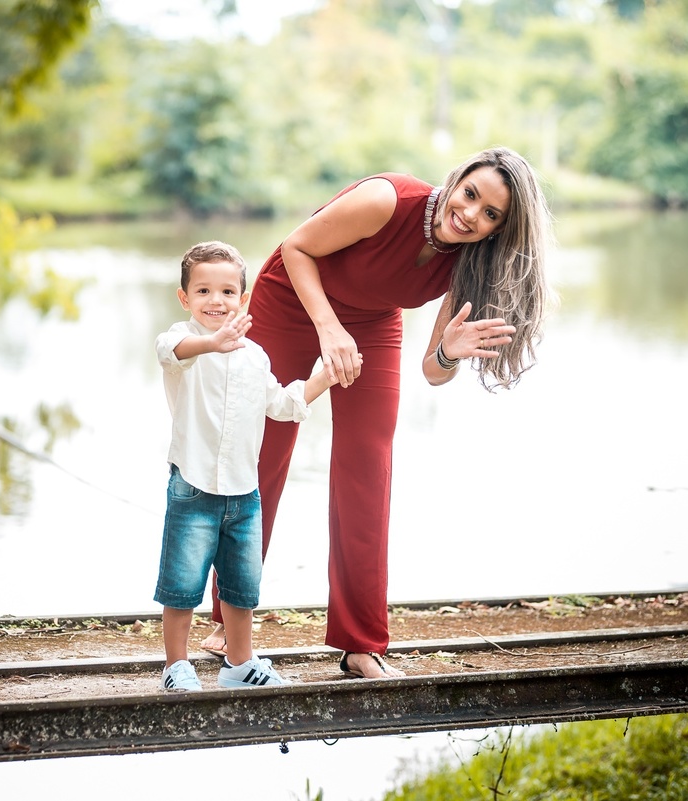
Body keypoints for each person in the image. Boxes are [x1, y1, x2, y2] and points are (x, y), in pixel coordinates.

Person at [201, 146, 554, 679]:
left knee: (368, 466)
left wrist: (450, 352)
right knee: (262, 457)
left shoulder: (469, 261)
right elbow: (295, 248)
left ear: (499, 230)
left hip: (371, 321)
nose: (471, 215)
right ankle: (229, 620)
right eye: (471, 194)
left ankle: (360, 641)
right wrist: (327, 328)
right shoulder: (386, 200)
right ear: (456, 180)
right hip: (294, 301)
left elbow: (432, 371)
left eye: (490, 215)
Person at [154, 240, 357, 691]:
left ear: (243, 299)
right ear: (185, 298)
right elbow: (171, 351)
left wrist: (322, 378)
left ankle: (240, 664)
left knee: (241, 585)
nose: (216, 301)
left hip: (244, 492)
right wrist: (211, 342)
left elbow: (282, 404)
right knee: (182, 581)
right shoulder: (182, 343)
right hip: (194, 484)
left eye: (227, 292)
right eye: (203, 291)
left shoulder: (256, 356)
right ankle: (176, 666)